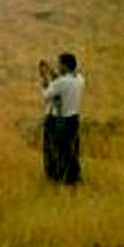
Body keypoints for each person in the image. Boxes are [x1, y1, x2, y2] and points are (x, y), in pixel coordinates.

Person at [39, 52, 84, 185]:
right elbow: (62, 82)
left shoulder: (61, 83)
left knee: (53, 149)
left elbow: (46, 95)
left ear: (64, 66)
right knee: (70, 149)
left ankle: (56, 177)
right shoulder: (80, 79)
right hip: (73, 119)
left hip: (57, 119)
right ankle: (72, 176)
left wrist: (44, 79)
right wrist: (53, 73)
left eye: (59, 64)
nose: (57, 66)